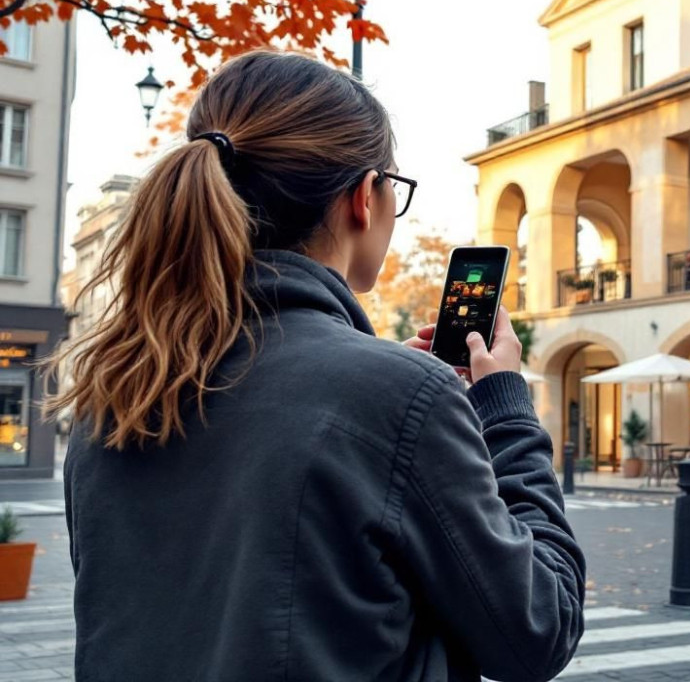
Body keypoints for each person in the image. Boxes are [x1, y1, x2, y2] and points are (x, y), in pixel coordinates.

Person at [45, 51, 584, 682]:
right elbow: (539, 631)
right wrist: (504, 407)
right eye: (395, 188)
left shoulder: (117, 386)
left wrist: (398, 405)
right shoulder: (395, 396)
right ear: (364, 196)